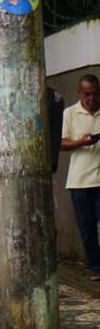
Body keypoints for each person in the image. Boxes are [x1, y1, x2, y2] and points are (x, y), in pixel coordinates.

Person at [60, 74, 100, 280]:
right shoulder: (69, 113)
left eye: (95, 94)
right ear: (79, 94)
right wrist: (82, 143)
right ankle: (95, 266)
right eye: (87, 94)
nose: (92, 98)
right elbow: (61, 143)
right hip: (80, 180)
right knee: (87, 227)